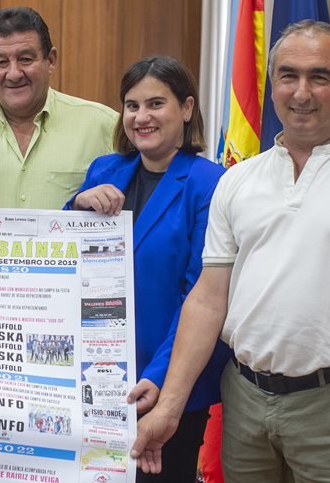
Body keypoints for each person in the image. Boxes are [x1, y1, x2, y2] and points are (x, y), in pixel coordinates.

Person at [131, 20, 330, 483]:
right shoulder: (238, 180)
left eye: (319, 76)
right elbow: (207, 298)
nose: (301, 91)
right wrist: (171, 405)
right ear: (272, 86)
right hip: (243, 403)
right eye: (288, 76)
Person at [66, 56, 230, 482]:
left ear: (187, 109)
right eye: (132, 105)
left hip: (169, 387)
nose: (141, 117)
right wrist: (77, 205)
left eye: (156, 104)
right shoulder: (106, 170)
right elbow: (63, 259)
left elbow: (200, 295)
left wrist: (160, 377)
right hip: (93, 383)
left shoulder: (210, 183)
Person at [0, 6, 117, 210]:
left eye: (26, 59)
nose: (14, 74)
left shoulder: (105, 125)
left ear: (51, 60)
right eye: (1, 62)